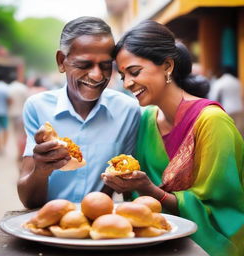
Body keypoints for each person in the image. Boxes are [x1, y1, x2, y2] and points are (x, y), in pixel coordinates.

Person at [102, 20, 244, 256]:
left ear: (167, 65)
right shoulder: (146, 119)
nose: (127, 84)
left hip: (206, 246)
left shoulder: (211, 121)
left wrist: (149, 189)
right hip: (154, 241)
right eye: (123, 75)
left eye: (135, 72)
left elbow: (222, 207)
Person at [17, 17, 140, 209]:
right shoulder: (38, 106)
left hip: (99, 225)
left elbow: (117, 183)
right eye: (84, 65)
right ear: (61, 62)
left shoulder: (128, 110)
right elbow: (29, 201)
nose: (97, 75)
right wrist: (41, 170)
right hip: (50, 223)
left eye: (106, 66)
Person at [208, 66, 244, 136]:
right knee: (240, 134)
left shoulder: (220, 81)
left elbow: (212, 97)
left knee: (230, 134)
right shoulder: (237, 81)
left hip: (228, 110)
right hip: (239, 109)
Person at [9, 79, 29, 161]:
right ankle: (20, 153)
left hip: (13, 113)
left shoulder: (10, 88)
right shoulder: (23, 88)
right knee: (23, 135)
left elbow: (9, 101)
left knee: (16, 134)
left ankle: (19, 152)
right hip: (22, 114)